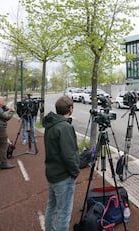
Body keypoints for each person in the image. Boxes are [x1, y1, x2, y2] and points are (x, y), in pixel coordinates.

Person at [43, 96, 80, 231]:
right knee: (64, 212)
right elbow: (69, 155)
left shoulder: (51, 123)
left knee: (51, 206)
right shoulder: (64, 127)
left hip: (52, 172)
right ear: (70, 109)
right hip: (63, 176)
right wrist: (75, 171)